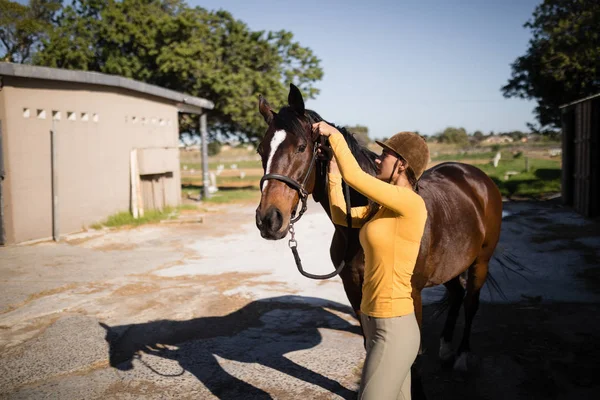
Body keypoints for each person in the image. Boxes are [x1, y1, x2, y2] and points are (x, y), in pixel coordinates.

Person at [312, 122, 429, 400]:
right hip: (373, 322)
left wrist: (336, 136)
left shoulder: (410, 203)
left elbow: (355, 176)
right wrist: (332, 172)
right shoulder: (383, 208)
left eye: (385, 154)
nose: (378, 158)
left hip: (395, 327)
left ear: (402, 164)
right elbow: (343, 217)